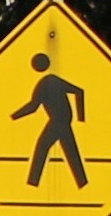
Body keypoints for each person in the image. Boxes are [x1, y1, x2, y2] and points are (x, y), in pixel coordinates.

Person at [11, 46, 90, 189]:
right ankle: (82, 183)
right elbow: (33, 107)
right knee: (70, 152)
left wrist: (81, 117)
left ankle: (32, 183)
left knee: (43, 147)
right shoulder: (46, 82)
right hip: (61, 122)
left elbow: (79, 91)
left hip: (60, 122)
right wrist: (14, 116)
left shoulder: (49, 81)